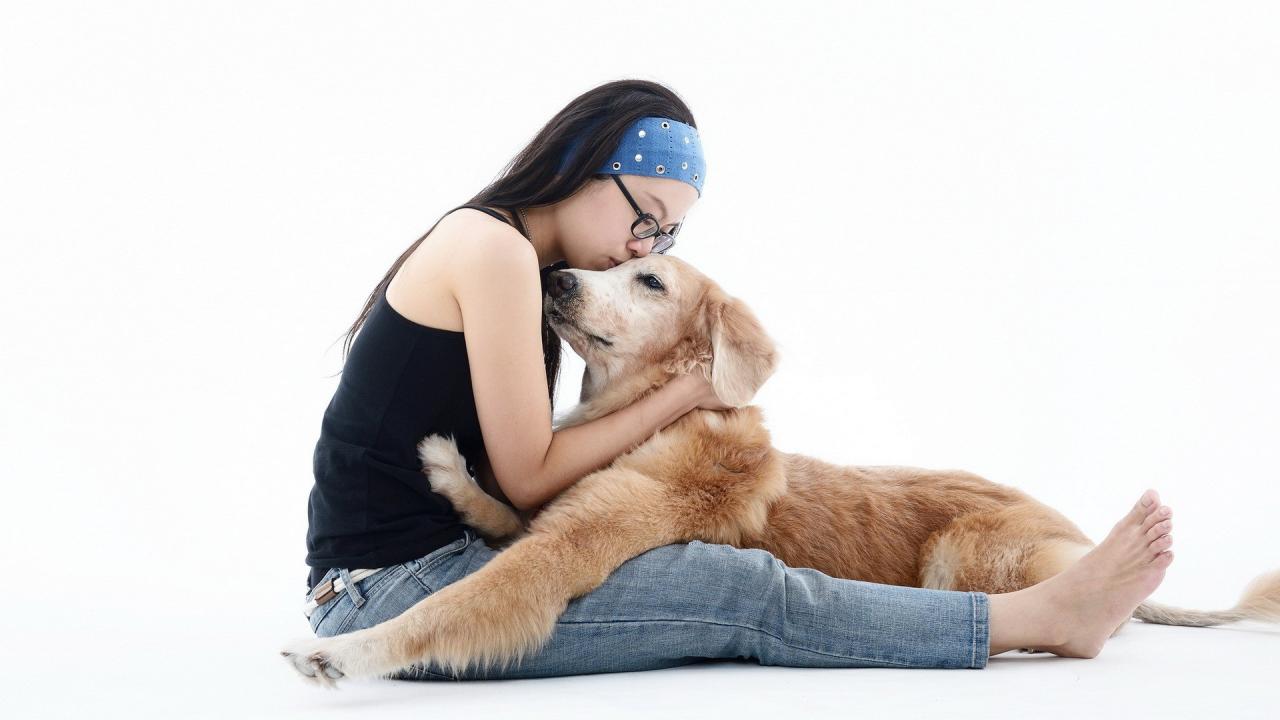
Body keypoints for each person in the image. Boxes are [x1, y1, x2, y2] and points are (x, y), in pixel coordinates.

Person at [300, 79, 1176, 680]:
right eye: (644, 215)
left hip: (412, 568)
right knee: (739, 589)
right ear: (579, 159)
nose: (641, 243)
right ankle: (1037, 620)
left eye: (663, 237)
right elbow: (528, 477)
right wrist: (686, 392)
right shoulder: (494, 250)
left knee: (713, 564)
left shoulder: (514, 259)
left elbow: (514, 479)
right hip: (389, 591)